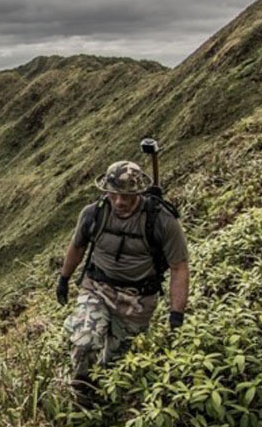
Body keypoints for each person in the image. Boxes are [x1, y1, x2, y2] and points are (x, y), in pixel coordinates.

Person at [55, 160, 189, 403]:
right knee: (85, 342)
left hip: (137, 301)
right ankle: (81, 397)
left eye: (126, 195)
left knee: (114, 364)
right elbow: (77, 247)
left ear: (138, 193)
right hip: (97, 289)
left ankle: (105, 404)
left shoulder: (161, 221)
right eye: (114, 194)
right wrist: (64, 278)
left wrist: (176, 314)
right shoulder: (93, 213)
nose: (119, 201)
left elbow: (179, 267)